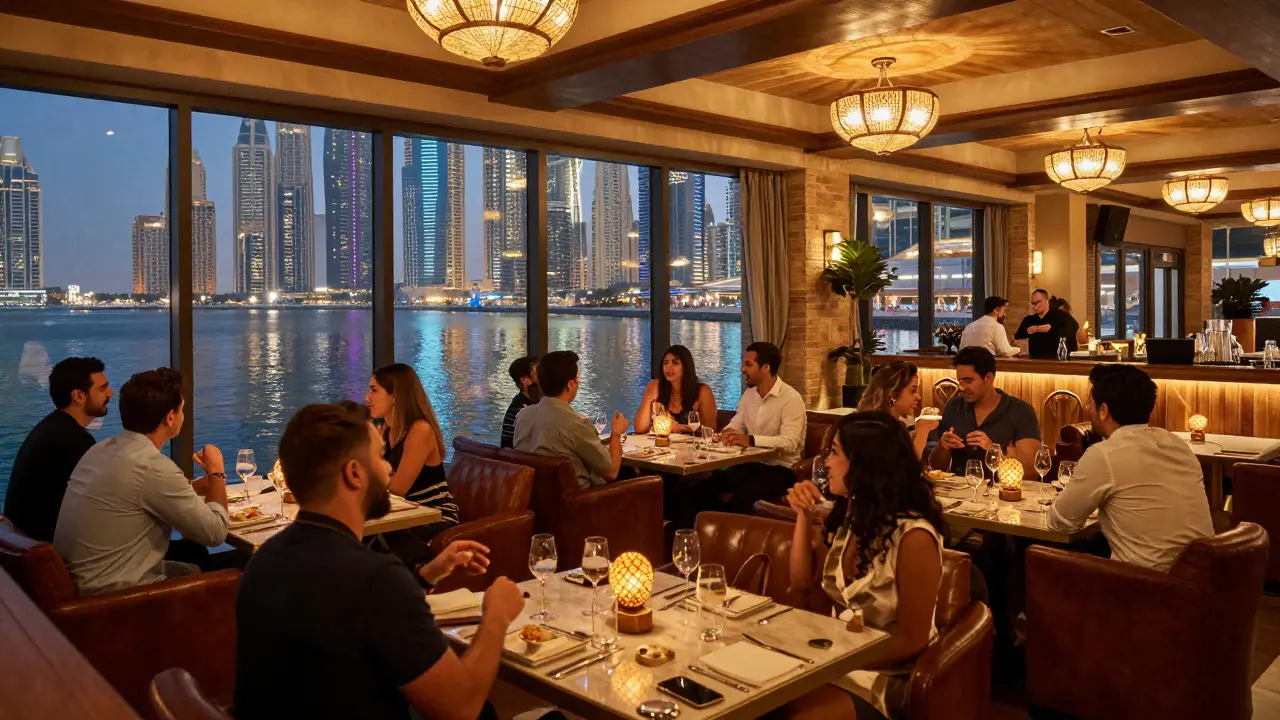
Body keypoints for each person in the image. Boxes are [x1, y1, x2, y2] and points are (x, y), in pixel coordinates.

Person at [234, 401, 526, 720]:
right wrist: (496, 616)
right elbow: (461, 706)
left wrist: (425, 576)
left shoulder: (264, 561)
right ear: (354, 473)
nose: (388, 469)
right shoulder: (374, 579)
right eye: (381, 456)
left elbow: (353, 622)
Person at [782, 412, 945, 719]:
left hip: (886, 679)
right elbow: (802, 583)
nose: (826, 463)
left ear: (864, 463)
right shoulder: (851, 519)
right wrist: (803, 515)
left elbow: (912, 639)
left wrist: (835, 656)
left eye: (834, 452)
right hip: (840, 663)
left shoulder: (914, 538)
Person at [53, 368, 229, 596]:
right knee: (222, 576)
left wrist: (194, 488)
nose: (183, 415)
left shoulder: (100, 450)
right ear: (170, 417)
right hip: (115, 600)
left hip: (84, 586)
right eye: (182, 409)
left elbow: (135, 499)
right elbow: (215, 533)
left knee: (193, 560)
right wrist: (217, 473)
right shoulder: (152, 467)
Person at [1048, 364, 1212, 571]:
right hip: (1204, 579)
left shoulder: (1104, 455)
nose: (1087, 409)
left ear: (1104, 410)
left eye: (1090, 402)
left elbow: (1060, 523)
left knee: (1043, 556)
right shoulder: (1177, 444)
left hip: (1146, 585)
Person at [679, 342, 806, 524]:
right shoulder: (749, 396)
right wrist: (728, 433)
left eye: (748, 364)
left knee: (742, 500)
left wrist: (751, 440)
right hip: (749, 465)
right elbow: (737, 424)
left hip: (780, 470)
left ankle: (727, 536)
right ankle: (698, 534)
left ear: (765, 367)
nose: (742, 369)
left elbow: (790, 442)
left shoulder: (791, 398)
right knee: (696, 490)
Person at [4, 357, 113, 542]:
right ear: (78, 396)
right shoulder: (73, 441)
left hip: (24, 542)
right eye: (102, 388)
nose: (111, 393)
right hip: (49, 548)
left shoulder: (52, 428)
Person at [364, 364, 460, 568]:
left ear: (396, 396)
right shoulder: (384, 430)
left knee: (371, 541)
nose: (367, 398)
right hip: (401, 514)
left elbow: (397, 490)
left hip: (434, 515)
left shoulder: (420, 431)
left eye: (374, 390)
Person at [514, 350, 630, 490]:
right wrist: (616, 434)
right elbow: (611, 472)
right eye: (577, 379)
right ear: (570, 384)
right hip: (581, 500)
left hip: (535, 498)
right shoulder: (576, 423)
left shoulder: (522, 416)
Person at [929, 347, 1041, 478]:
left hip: (1002, 488)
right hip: (958, 489)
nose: (961, 387)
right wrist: (942, 446)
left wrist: (994, 451)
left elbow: (1031, 472)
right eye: (960, 381)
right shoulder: (954, 406)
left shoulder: (1021, 411)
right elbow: (937, 467)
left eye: (968, 380)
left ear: (988, 378)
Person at [857, 361, 939, 461]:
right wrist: (922, 432)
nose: (918, 397)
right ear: (893, 394)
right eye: (913, 390)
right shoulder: (875, 430)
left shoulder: (898, 425)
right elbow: (904, 469)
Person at [633, 344, 718, 433]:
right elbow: (639, 428)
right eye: (666, 363)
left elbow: (710, 431)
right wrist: (651, 391)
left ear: (686, 367)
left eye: (675, 363)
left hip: (692, 442)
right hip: (662, 441)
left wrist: (681, 428)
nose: (668, 367)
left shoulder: (702, 391)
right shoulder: (655, 387)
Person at [1015, 288, 1078, 359]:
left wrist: (1049, 330)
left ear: (1047, 301)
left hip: (1056, 359)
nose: (1035, 306)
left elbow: (1073, 328)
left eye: (1038, 302)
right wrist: (1029, 332)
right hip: (1033, 360)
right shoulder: (1028, 320)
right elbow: (1017, 338)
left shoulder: (1061, 316)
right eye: (1033, 303)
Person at [501, 355, 540, 449]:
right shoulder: (523, 409)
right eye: (536, 372)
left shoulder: (522, 401)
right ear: (524, 380)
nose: (542, 376)